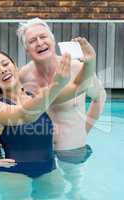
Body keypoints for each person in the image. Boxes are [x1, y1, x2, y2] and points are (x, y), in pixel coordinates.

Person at [0, 47, 95, 199]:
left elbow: (79, 87)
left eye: (5, 64)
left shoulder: (38, 96)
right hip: (14, 173)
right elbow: (24, 115)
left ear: (15, 65)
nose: (3, 70)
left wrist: (90, 61)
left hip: (49, 169)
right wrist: (56, 85)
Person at [16, 17, 106, 198]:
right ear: (26, 49)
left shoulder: (77, 68)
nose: (39, 43)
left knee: (75, 193)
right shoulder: (23, 76)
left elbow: (99, 98)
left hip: (72, 151)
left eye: (43, 37)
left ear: (52, 39)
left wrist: (83, 130)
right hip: (40, 153)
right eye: (32, 41)